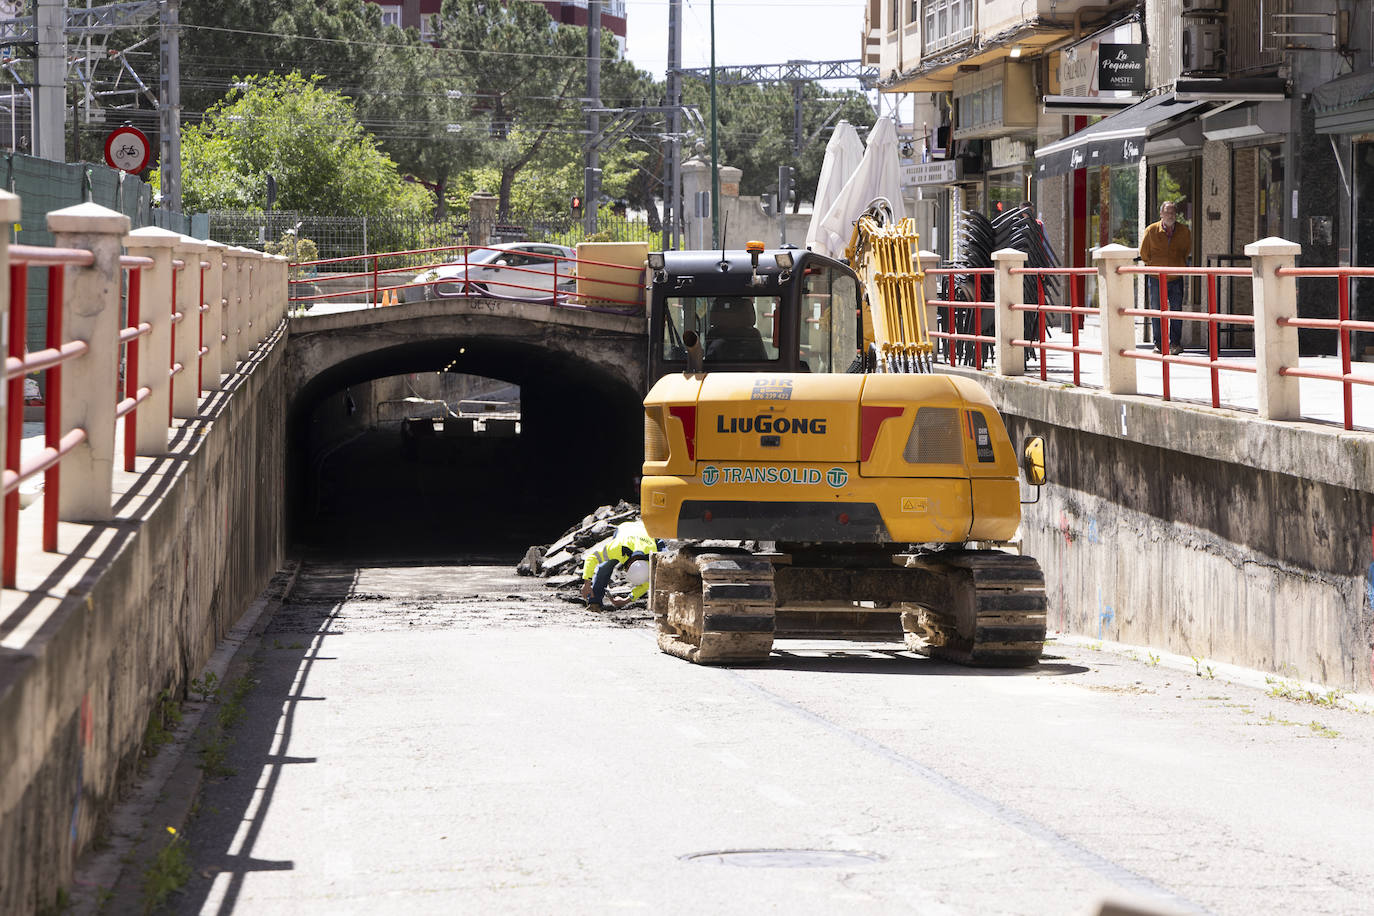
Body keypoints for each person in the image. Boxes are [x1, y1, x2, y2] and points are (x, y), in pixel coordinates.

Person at [1138, 200, 1192, 353]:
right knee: (1157, 310)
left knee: (1176, 310)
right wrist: (1154, 264)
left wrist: (1178, 264)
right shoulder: (1151, 230)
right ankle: (1159, 344)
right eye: (1167, 212)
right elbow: (1144, 253)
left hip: (1176, 276)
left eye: (1173, 212)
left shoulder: (1184, 231)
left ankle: (1175, 343)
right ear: (1161, 214)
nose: (1170, 215)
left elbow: (1186, 250)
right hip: (1156, 277)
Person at [580, 518, 659, 611]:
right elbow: (592, 558)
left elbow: (646, 584)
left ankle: (595, 602)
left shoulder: (652, 560)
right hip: (626, 528)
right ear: (628, 567)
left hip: (646, 530)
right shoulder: (617, 547)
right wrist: (587, 583)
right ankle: (594, 602)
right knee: (605, 567)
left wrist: (626, 600)